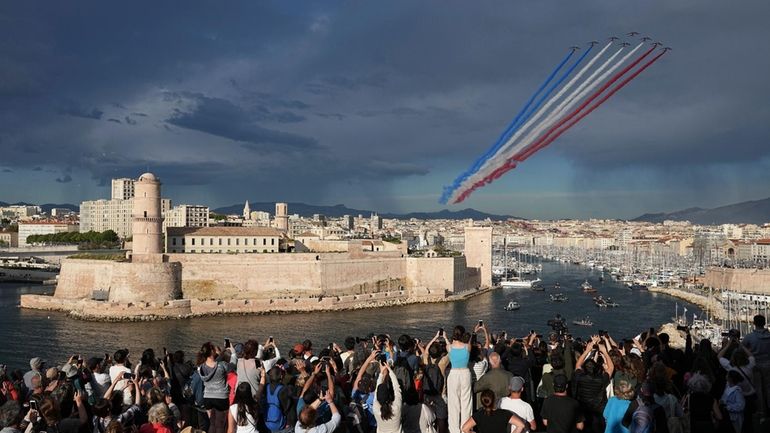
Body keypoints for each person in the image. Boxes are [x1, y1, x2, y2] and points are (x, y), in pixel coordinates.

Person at [573, 335, 614, 433]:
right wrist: (604, 351)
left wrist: (587, 350)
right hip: (598, 411)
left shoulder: (579, 377)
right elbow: (611, 368)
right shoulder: (601, 379)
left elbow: (578, 365)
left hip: (583, 409)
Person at [198, 342, 237, 433]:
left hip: (207, 397)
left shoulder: (201, 367)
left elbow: (213, 364)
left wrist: (222, 351)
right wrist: (233, 352)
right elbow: (233, 365)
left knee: (212, 423)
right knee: (220, 424)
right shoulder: (222, 365)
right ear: (212, 351)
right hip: (221, 397)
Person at [742, 314, 770, 418]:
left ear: (754, 323)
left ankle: (761, 411)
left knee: (758, 388)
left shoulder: (750, 337)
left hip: (756, 364)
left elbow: (741, 348)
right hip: (768, 364)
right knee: (768, 388)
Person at [461, 389, 526, 433]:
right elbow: (521, 425)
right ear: (494, 400)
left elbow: (464, 428)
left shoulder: (478, 415)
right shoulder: (504, 413)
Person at [446, 326, 472, 433]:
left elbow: (449, 345)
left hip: (454, 373)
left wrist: (445, 337)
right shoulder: (467, 346)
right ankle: (466, 428)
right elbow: (469, 342)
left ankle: (454, 430)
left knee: (453, 403)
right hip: (465, 373)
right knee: (466, 402)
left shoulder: (449, 347)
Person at [373, 363, 402, 433]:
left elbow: (377, 391)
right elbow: (397, 388)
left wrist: (381, 373)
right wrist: (390, 370)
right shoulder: (396, 407)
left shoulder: (376, 408)